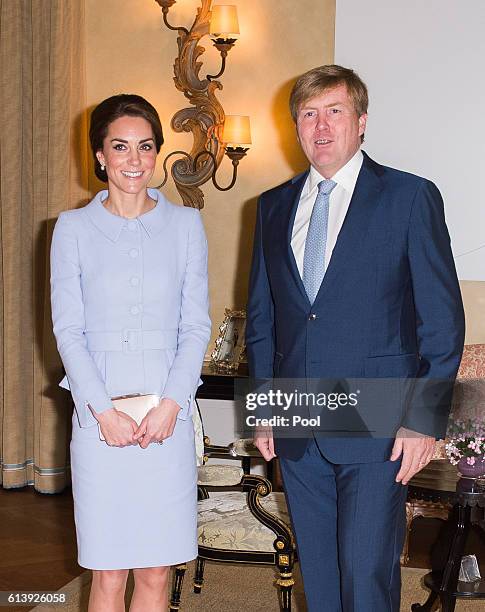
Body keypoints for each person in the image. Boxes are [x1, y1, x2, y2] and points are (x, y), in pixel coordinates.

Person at [246, 65, 465, 611]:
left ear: (361, 122)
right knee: (318, 576)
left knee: (365, 576)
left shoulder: (410, 198)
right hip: (298, 416)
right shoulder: (271, 207)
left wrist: (423, 421)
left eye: (334, 112)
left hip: (379, 419)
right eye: (308, 115)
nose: (321, 127)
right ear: (295, 127)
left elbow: (442, 321)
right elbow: (264, 316)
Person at [50, 94, 210, 611]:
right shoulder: (71, 230)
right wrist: (101, 412)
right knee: (109, 573)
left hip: (168, 420)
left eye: (145, 147)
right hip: (101, 424)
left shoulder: (186, 227)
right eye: (119, 147)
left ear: (157, 153)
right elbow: (68, 331)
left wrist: (172, 406)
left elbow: (195, 326)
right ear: (99, 155)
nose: (133, 159)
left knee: (157, 572)